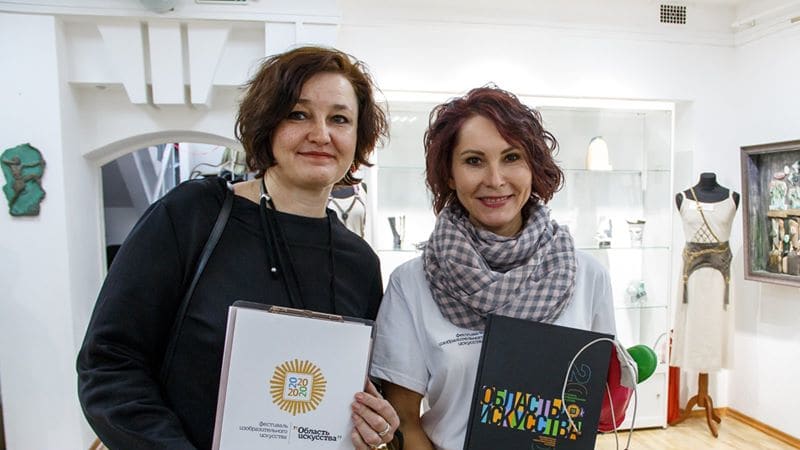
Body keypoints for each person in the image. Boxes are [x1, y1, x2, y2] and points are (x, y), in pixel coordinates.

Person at [77, 46, 399, 450]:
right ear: (267, 124)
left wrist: (379, 427)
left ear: (358, 137)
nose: (321, 134)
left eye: (340, 119)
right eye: (298, 114)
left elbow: (356, 392)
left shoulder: (359, 263)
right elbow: (109, 363)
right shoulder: (192, 216)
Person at [369, 86, 623, 450]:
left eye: (512, 157)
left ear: (533, 167)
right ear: (450, 174)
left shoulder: (587, 277)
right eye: (474, 161)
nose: (495, 179)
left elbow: (587, 407)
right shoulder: (412, 283)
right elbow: (404, 419)